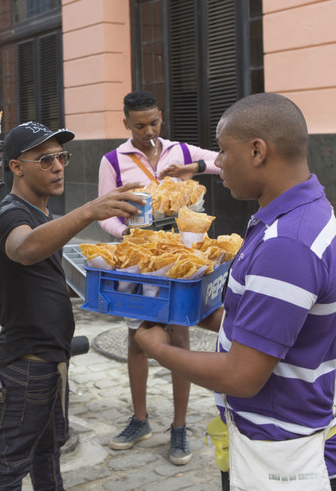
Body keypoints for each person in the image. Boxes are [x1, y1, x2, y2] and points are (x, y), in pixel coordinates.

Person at [135, 93, 336, 490]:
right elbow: (268, 326)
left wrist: (159, 350)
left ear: (256, 151)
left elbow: (241, 376)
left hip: (283, 457)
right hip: (275, 440)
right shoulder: (292, 215)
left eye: (222, 150)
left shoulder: (288, 243)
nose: (216, 163)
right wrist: (191, 310)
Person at [0, 121, 145, 490]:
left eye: (61, 157)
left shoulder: (43, 214)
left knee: (48, 454)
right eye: (45, 160)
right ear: (16, 167)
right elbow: (23, 249)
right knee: (10, 464)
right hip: (27, 366)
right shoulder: (12, 212)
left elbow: (54, 282)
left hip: (52, 363)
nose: (58, 167)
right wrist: (90, 211)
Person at [97, 90, 221, 466]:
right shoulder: (112, 160)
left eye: (154, 122)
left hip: (182, 255)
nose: (149, 131)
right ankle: (140, 419)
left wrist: (192, 170)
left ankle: (179, 428)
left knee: (179, 336)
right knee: (138, 338)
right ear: (126, 124)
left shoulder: (181, 152)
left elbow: (223, 161)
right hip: (140, 260)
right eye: (139, 125)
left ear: (161, 118)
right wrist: (127, 236)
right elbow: (104, 212)